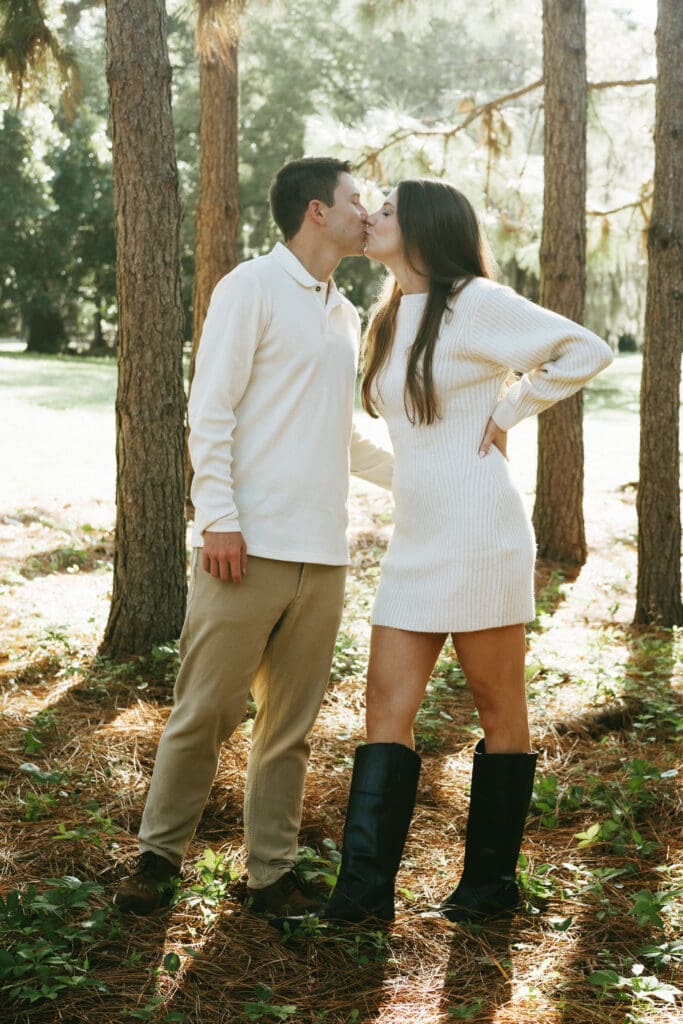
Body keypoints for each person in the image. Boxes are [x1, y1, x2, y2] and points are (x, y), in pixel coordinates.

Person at [276, 178, 613, 929]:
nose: (371, 216)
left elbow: (585, 348)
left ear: (424, 229)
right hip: (418, 537)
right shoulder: (390, 313)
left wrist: (510, 408)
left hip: (480, 532)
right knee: (382, 710)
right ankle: (361, 901)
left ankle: (488, 888)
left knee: (499, 708)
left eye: (387, 210)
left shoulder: (475, 302)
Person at [115, 157, 394, 916]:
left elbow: (344, 441)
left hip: (323, 555)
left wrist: (424, 479)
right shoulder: (249, 287)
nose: (365, 213)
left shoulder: (342, 312)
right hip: (245, 549)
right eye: (354, 201)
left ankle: (269, 873)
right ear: (315, 211)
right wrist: (221, 522)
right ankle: (155, 860)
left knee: (289, 728)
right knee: (204, 710)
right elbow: (210, 412)